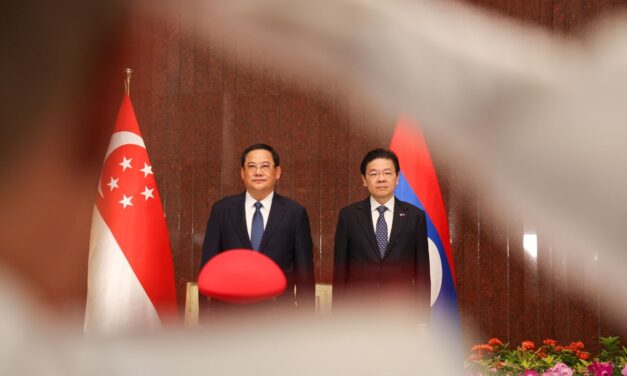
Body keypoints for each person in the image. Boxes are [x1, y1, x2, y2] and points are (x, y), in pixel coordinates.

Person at [200, 144, 315, 312]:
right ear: (242, 173)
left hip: (278, 317)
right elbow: (209, 265)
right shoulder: (222, 210)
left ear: (277, 172)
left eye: (265, 166)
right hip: (228, 316)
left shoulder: (294, 212)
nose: (258, 172)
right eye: (252, 166)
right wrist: (204, 316)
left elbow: (304, 272)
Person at [332, 148, 430, 319]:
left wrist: (422, 319)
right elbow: (341, 271)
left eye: (387, 173)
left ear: (397, 178)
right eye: (374, 173)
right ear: (364, 179)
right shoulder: (348, 215)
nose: (381, 179)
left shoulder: (415, 216)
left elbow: (422, 271)